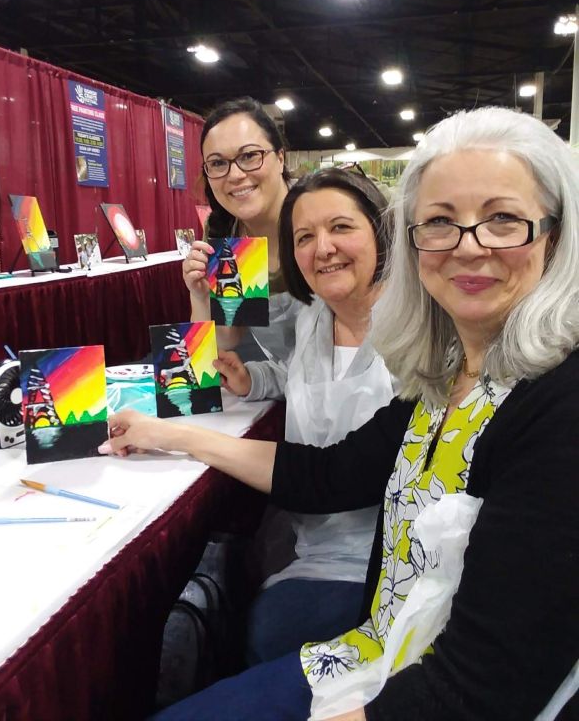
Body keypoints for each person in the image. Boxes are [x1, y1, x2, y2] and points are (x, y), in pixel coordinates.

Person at [100, 106, 579, 721]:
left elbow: (485, 684)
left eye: (503, 219)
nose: (468, 245)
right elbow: (328, 473)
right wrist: (172, 433)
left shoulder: (556, 405)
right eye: (438, 222)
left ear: (557, 236)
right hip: (379, 648)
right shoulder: (437, 375)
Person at [214, 167, 394, 664]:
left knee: (270, 634)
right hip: (313, 538)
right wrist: (253, 379)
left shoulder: (415, 329)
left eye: (341, 227)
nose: (323, 248)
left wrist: (188, 438)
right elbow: (296, 374)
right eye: (305, 237)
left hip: (390, 554)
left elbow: (341, 471)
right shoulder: (316, 315)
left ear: (379, 231)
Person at [183, 96, 300, 362]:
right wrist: (200, 297)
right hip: (286, 385)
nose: (235, 175)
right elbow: (226, 338)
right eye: (218, 163)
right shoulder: (226, 233)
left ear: (280, 158)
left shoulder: (318, 217)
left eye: (249, 156)